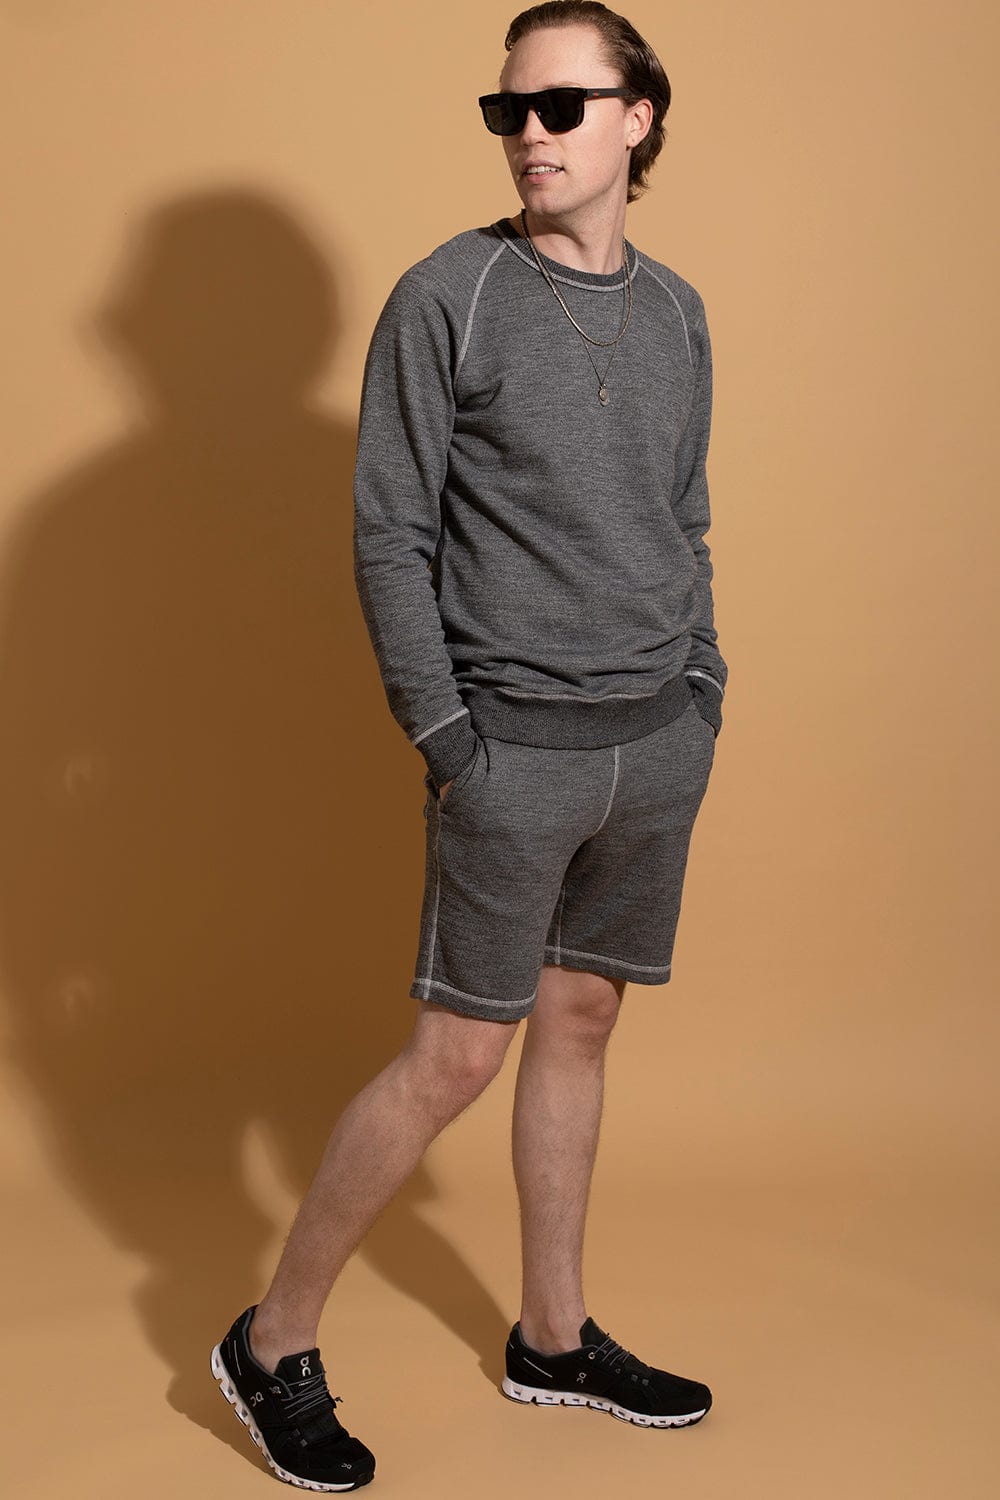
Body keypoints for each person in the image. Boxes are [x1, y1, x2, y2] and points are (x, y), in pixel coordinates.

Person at [211, 1, 726, 1487]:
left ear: (637, 116)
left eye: (562, 106)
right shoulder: (451, 295)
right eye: (510, 111)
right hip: (510, 750)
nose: (531, 136)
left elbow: (683, 514)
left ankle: (552, 1339)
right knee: (456, 1055)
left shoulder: (680, 311)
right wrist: (449, 735)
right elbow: (392, 534)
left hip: (656, 738)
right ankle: (271, 1342)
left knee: (583, 1020)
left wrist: (702, 682)